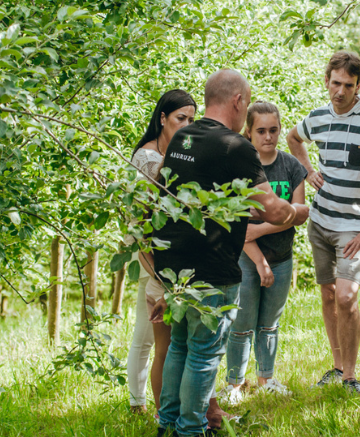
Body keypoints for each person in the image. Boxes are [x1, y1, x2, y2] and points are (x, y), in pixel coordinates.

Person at [154, 69, 310, 437]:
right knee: (205, 352)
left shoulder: (182, 138)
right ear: (239, 101)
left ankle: (168, 423)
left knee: (179, 345)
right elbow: (274, 208)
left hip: (176, 264)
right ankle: (191, 430)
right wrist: (298, 212)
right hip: (212, 266)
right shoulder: (236, 147)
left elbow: (179, 194)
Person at [286, 51, 360, 395]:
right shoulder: (318, 117)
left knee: (347, 297)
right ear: (327, 81)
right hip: (320, 220)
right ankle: (337, 368)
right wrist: (308, 170)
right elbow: (294, 138)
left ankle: (351, 375)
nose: (340, 91)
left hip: (355, 226)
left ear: (358, 86)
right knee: (328, 294)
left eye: (347, 85)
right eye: (335, 83)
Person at [221, 102, 307, 403]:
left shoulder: (292, 167)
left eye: (273, 130)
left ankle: (266, 379)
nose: (268, 136)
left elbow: (301, 212)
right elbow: (238, 226)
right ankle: (234, 383)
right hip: (245, 259)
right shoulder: (240, 168)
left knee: (270, 323)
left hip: (282, 258)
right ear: (249, 131)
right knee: (241, 324)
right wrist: (259, 257)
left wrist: (260, 227)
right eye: (261, 131)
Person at [126, 90, 196, 416]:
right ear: (163, 118)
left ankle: (154, 405)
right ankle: (146, 405)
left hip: (172, 256)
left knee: (157, 337)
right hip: (150, 254)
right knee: (152, 337)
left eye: (191, 120)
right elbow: (140, 220)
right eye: (181, 118)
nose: (186, 125)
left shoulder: (178, 153)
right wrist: (155, 268)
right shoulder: (148, 158)